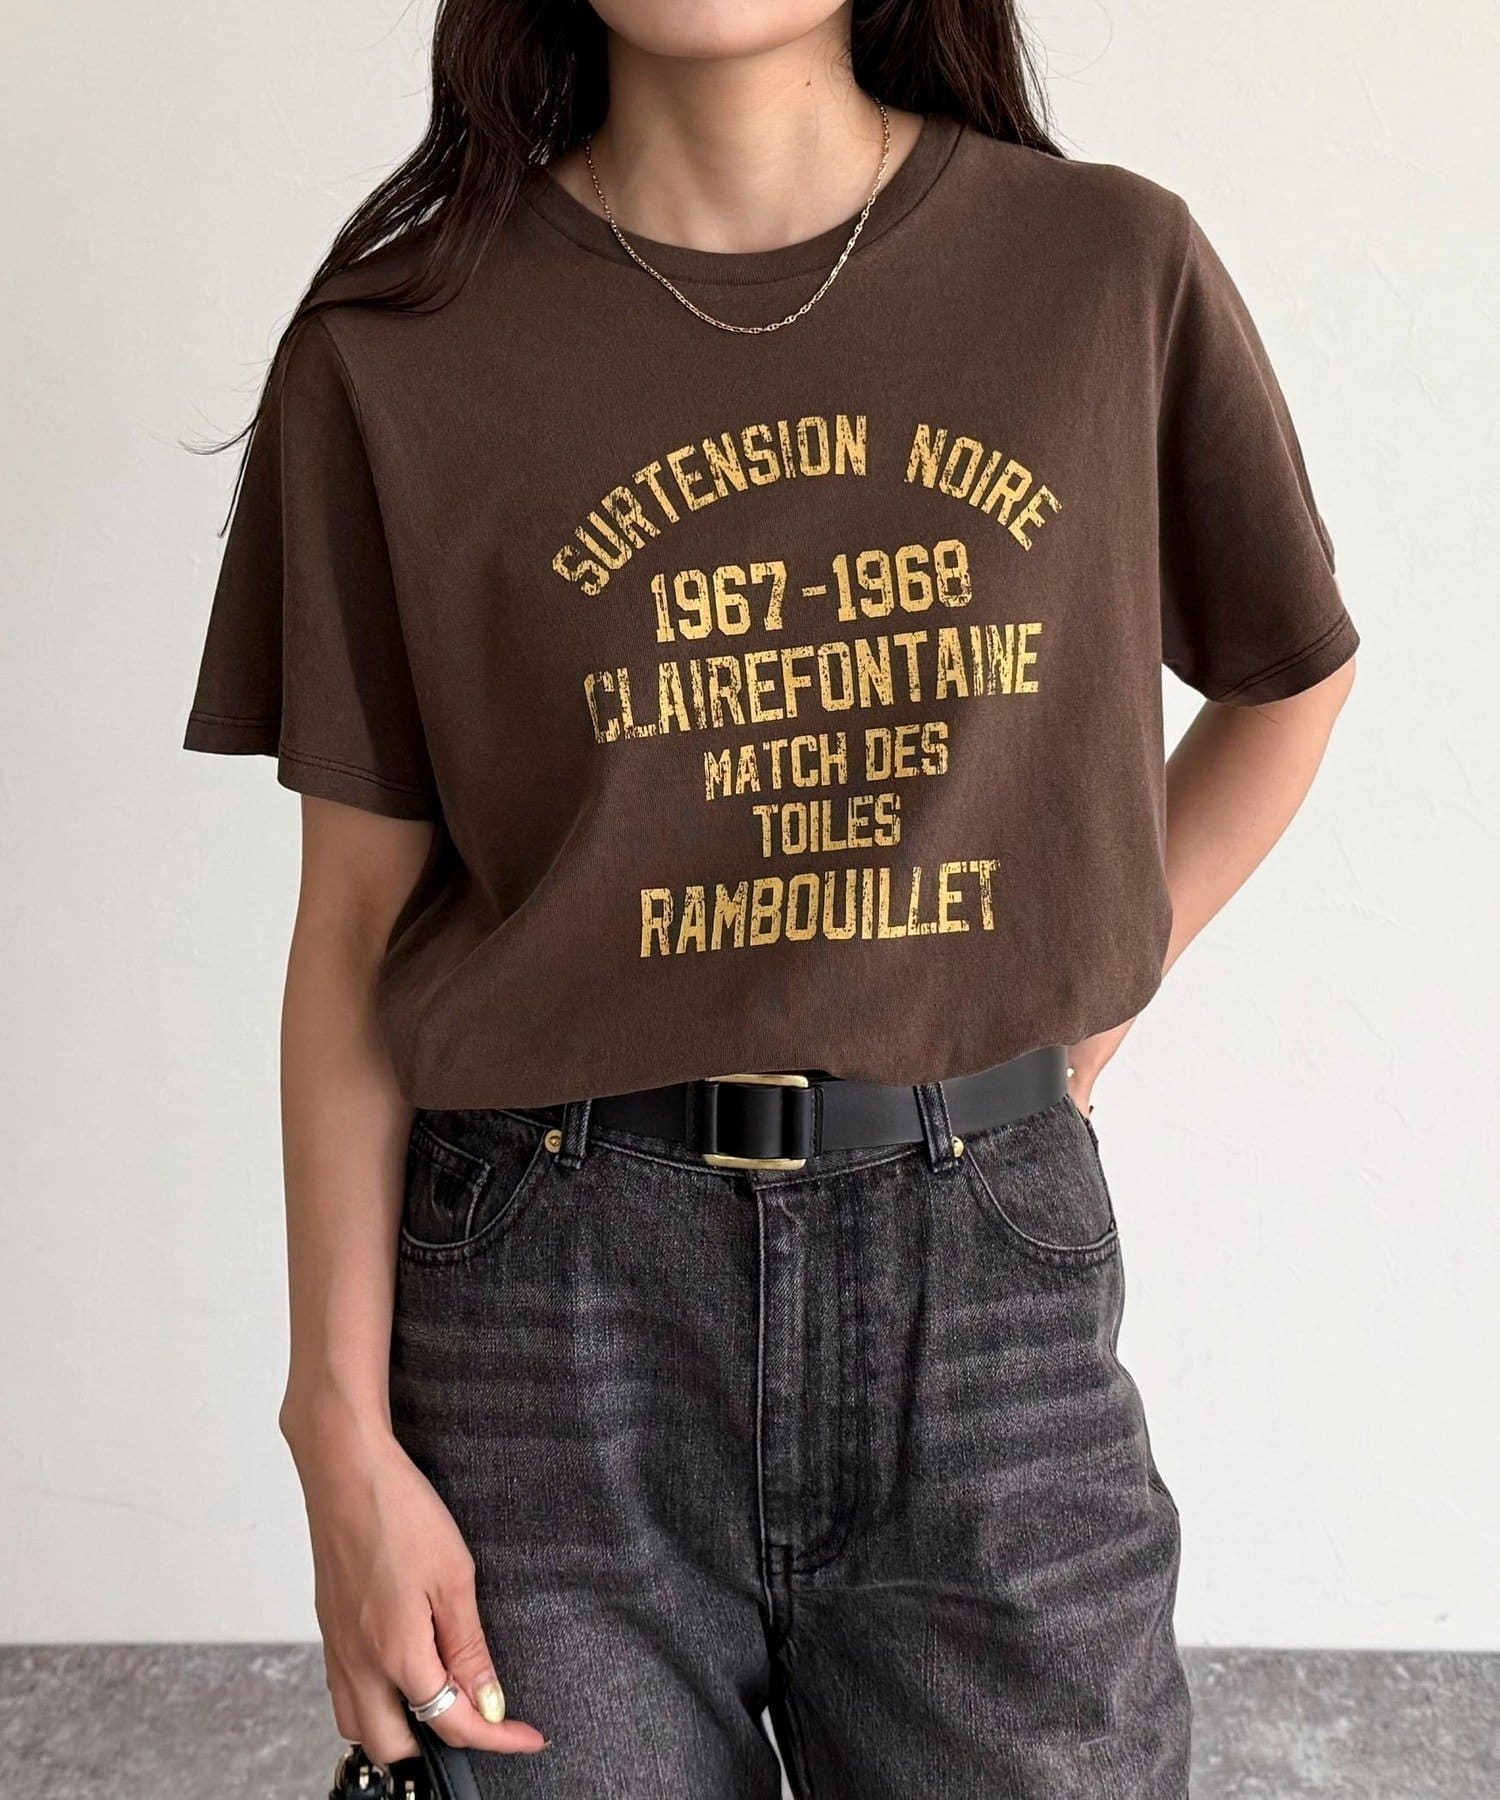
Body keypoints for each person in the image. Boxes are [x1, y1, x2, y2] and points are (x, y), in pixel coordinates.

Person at [184, 2, 1357, 1793]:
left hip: (985, 1293)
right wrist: (335, 1429)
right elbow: (350, 929)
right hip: (547, 1323)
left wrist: (1066, 1021)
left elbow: (1289, 677)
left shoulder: (1104, 268)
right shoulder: (401, 345)